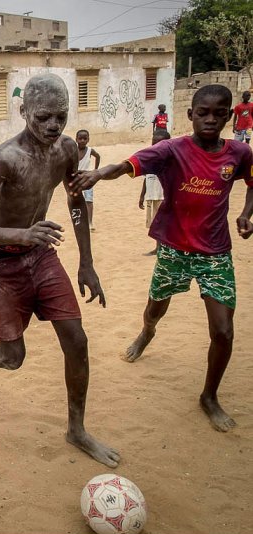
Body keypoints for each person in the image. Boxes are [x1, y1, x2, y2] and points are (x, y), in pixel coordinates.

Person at [70, 84, 253, 433]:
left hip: (216, 253)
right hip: (174, 249)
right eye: (203, 113)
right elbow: (127, 165)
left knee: (224, 331)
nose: (211, 119)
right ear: (191, 115)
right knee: (156, 307)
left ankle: (209, 397)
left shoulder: (240, 153)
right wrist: (97, 174)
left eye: (219, 113)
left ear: (230, 116)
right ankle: (146, 332)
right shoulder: (172, 150)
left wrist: (246, 214)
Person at [0, 73, 120, 468]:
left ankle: (76, 429)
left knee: (77, 340)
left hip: (42, 255)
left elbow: (76, 202)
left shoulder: (66, 150)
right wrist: (24, 233)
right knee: (13, 358)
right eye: (43, 116)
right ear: (24, 112)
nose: (52, 125)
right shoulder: (5, 160)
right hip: (2, 265)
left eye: (60, 117)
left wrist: (86, 261)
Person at [138, 130, 171, 255]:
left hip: (163, 196)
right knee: (155, 223)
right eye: (154, 142)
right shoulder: (149, 159)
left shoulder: (170, 160)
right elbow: (146, 178)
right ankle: (158, 248)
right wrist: (142, 196)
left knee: (164, 223)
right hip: (152, 196)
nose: (156, 146)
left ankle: (165, 248)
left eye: (160, 143)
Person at [75, 130, 101, 231]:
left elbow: (98, 157)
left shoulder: (90, 150)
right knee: (76, 201)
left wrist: (95, 170)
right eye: (80, 138)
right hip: (76, 179)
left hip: (88, 179)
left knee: (89, 200)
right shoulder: (74, 150)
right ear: (76, 139)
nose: (82, 140)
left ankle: (90, 222)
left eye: (85, 138)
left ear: (88, 139)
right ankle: (79, 221)